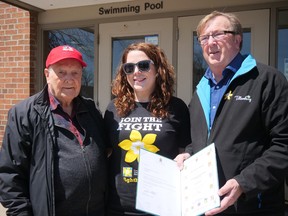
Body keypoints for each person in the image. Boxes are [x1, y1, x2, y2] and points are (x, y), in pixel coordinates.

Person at [175, 10, 288, 215]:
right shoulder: (201, 89)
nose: (211, 42)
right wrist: (188, 153)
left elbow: (283, 145)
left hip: (253, 206)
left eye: (218, 34)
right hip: (206, 206)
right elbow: (202, 140)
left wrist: (243, 183)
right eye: (204, 37)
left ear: (237, 40)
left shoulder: (267, 80)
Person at [0, 45, 108, 216]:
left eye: (75, 73)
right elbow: (10, 177)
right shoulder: (24, 114)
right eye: (61, 72)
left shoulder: (90, 109)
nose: (69, 79)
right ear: (47, 75)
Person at [104, 42, 191, 215]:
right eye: (129, 68)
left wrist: (187, 156)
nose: (136, 72)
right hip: (120, 207)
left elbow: (187, 148)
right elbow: (104, 153)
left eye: (143, 65)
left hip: (163, 205)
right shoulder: (113, 108)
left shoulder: (176, 107)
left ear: (158, 69)